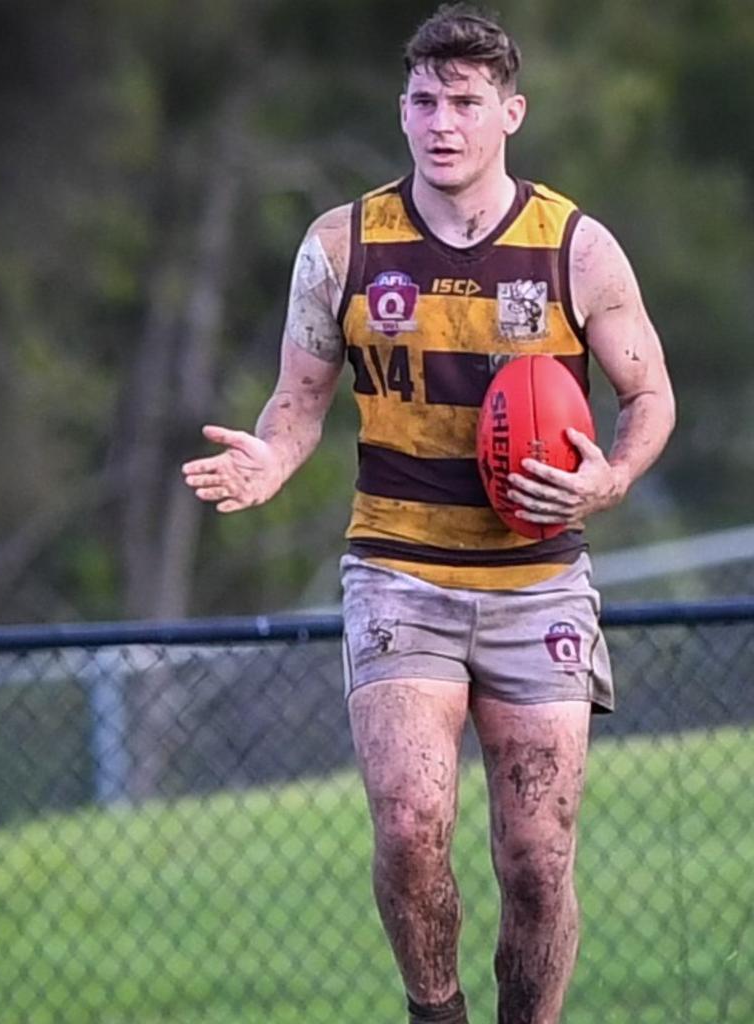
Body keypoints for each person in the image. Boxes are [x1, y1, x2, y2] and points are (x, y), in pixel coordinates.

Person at [182, 5, 676, 1022]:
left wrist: (611, 479)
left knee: (536, 856)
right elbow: (301, 397)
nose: (439, 121)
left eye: (463, 102)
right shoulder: (343, 244)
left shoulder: (575, 246)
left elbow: (653, 395)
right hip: (399, 569)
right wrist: (273, 455)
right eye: (421, 99)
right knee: (411, 827)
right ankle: (436, 1012)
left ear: (511, 112)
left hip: (538, 575)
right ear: (401, 110)